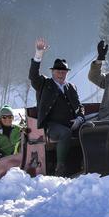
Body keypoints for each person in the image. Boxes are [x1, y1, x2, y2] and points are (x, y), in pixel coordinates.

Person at [29, 37, 85, 176]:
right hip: (51, 126)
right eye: (58, 71)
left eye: (64, 71)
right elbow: (33, 76)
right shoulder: (44, 84)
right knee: (65, 133)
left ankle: (86, 164)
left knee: (89, 130)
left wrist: (79, 119)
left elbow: (80, 107)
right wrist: (38, 54)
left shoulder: (71, 87)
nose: (61, 73)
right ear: (52, 72)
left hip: (71, 124)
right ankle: (60, 168)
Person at [0, 104, 23, 178]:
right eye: (4, 117)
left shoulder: (18, 130)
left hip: (17, 161)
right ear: (0, 118)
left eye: (10, 117)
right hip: (2, 162)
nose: (7, 119)